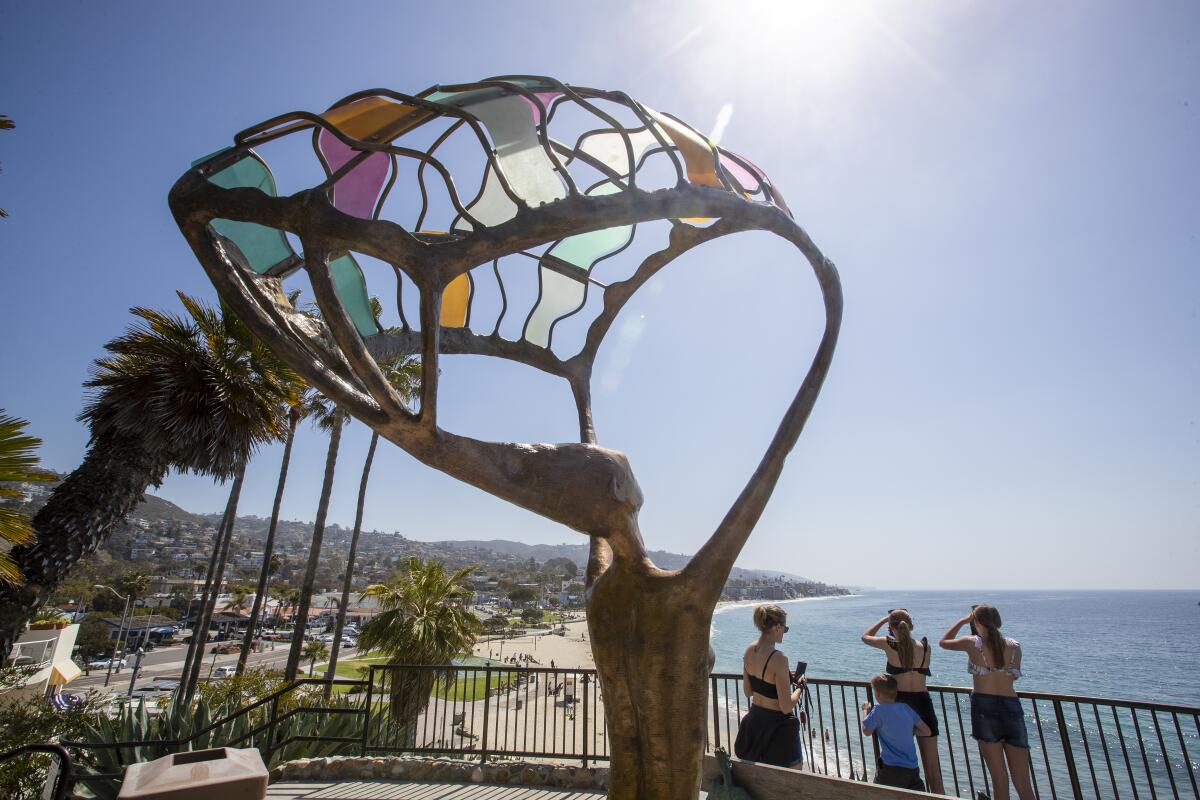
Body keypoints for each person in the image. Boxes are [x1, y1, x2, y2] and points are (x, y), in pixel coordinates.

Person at [940, 605, 1034, 800]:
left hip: (984, 706)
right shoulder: (1015, 646)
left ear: (977, 621)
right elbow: (1013, 676)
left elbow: (944, 642)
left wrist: (962, 621)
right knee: (1024, 784)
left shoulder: (973, 643)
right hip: (1011, 706)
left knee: (1000, 781)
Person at [861, 609, 944, 794]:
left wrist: (883, 620)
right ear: (910, 625)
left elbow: (865, 637)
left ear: (891, 627)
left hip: (900, 706)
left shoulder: (889, 644)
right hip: (923, 704)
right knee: (933, 770)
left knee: (898, 761)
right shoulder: (925, 647)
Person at [734, 604, 805, 768]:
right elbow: (786, 707)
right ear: (778, 627)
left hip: (755, 724)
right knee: (793, 781)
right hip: (779, 729)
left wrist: (785, 677)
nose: (784, 633)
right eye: (785, 629)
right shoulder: (780, 659)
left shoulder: (749, 651)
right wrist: (800, 688)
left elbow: (748, 691)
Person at [860, 674, 931, 790]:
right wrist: (910, 731)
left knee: (877, 794)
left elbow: (866, 731)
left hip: (890, 767)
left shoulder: (878, 710)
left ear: (877, 694)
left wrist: (865, 711)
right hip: (912, 767)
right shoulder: (906, 708)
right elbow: (926, 731)